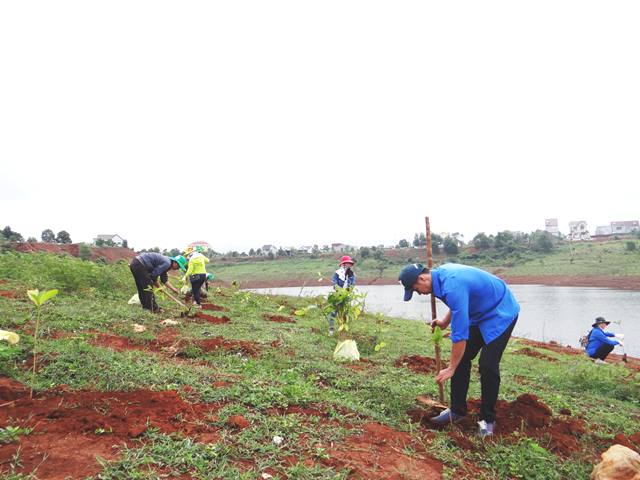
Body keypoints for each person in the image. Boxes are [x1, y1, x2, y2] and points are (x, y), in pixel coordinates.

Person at [399, 262, 520, 437]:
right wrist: (444, 322)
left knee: (488, 365)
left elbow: (460, 336)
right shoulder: (440, 278)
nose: (418, 293)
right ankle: (457, 411)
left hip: (500, 310)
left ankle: (487, 421)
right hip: (478, 311)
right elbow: (458, 304)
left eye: (416, 289)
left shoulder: (452, 284)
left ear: (422, 279)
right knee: (462, 358)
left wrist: (451, 368)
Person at [327, 255, 357, 335]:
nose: (349, 265)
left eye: (349, 264)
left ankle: (344, 331)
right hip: (337, 296)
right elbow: (334, 284)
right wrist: (339, 291)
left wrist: (347, 291)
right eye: (347, 263)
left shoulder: (352, 274)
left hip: (346, 296)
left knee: (345, 313)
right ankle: (331, 330)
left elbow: (352, 285)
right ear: (343, 264)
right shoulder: (337, 273)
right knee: (333, 312)